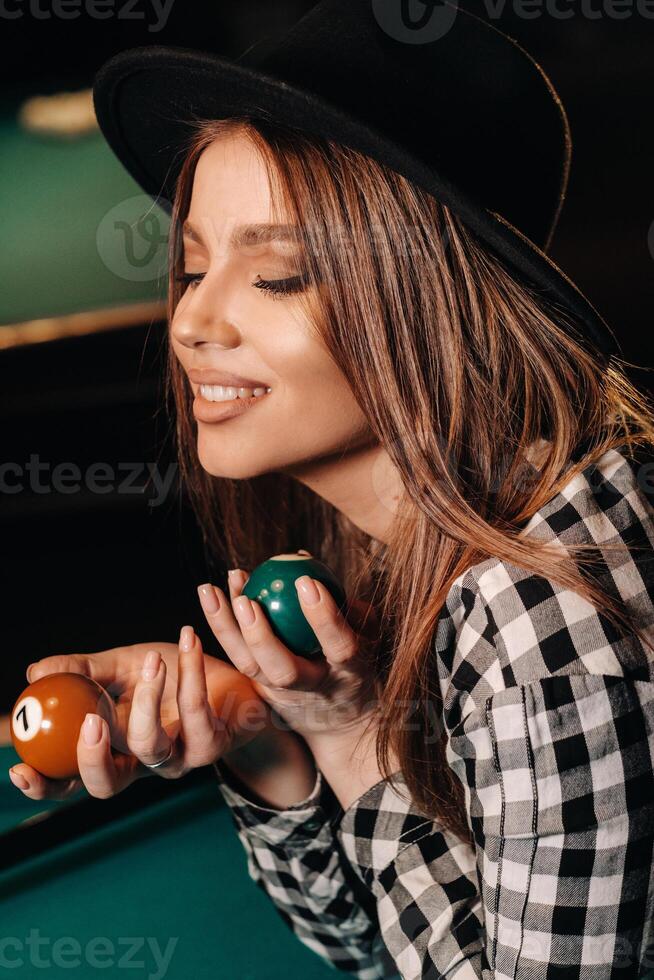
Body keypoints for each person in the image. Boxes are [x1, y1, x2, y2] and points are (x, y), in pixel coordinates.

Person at [10, 2, 654, 976]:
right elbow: (380, 946)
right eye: (190, 265)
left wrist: (353, 742)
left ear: (427, 306)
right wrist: (261, 727)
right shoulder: (398, 532)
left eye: (274, 277)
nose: (190, 320)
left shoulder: (545, 612)